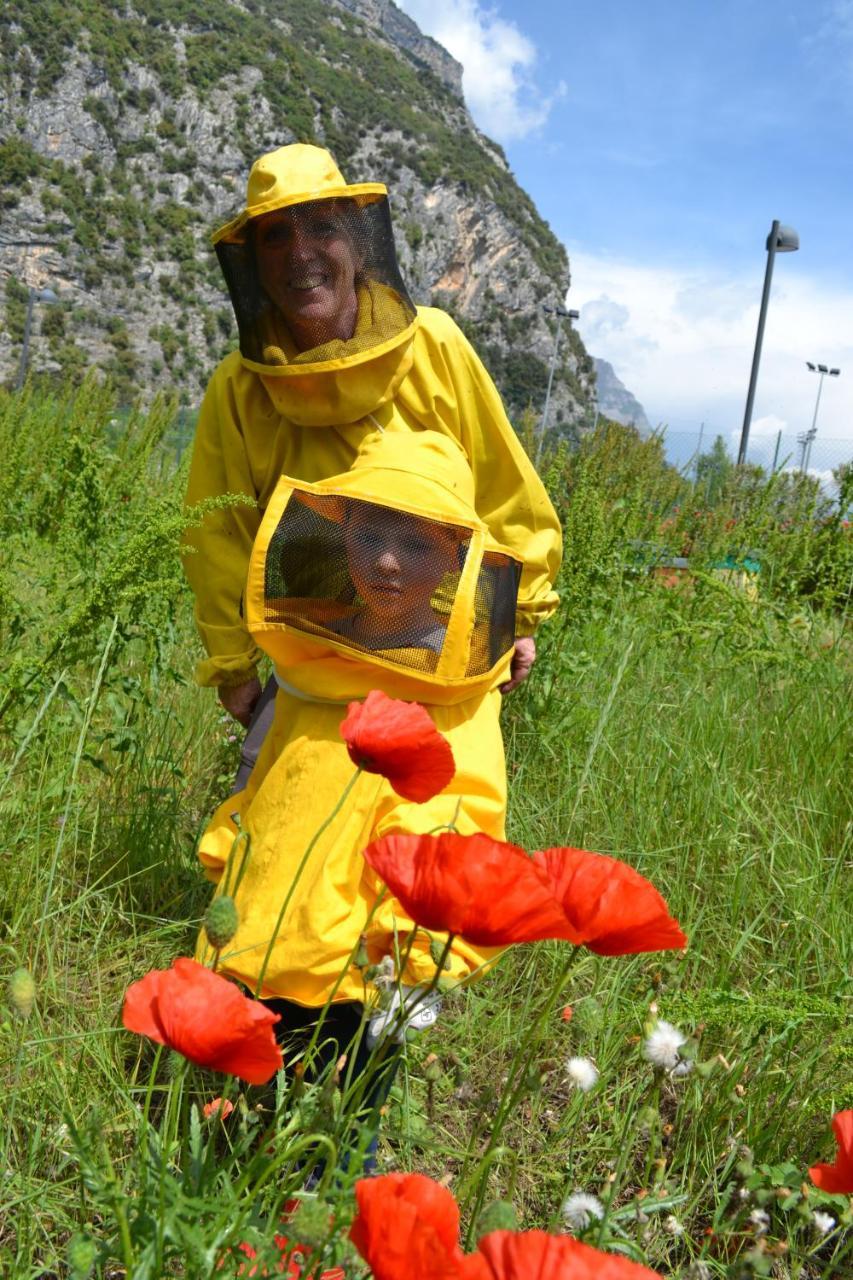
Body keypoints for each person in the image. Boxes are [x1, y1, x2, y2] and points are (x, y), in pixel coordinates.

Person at [181, 143, 562, 1140]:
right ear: (252, 260)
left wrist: (523, 610)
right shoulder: (239, 385)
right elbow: (217, 526)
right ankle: (250, 1099)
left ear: (357, 244)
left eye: (318, 229)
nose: (299, 252)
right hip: (309, 660)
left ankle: (352, 1102)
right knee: (282, 867)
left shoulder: (433, 345)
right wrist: (231, 664)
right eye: (274, 236)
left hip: (433, 659)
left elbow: (502, 483)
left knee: (404, 882)